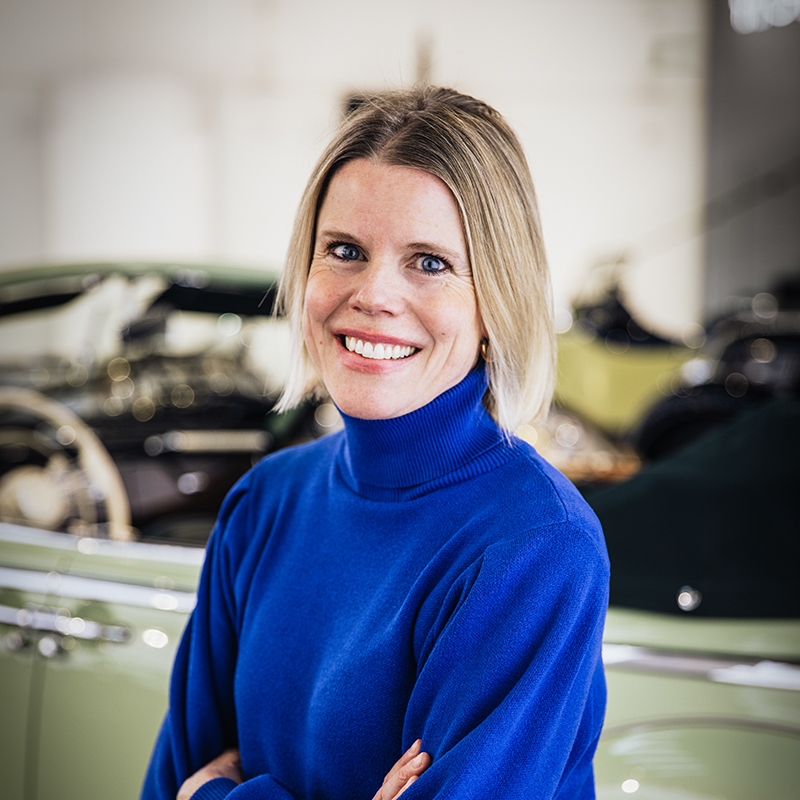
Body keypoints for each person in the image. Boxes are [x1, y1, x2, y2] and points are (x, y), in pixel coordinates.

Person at [142, 86, 609, 800]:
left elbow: (192, 787)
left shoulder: (534, 546)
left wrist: (221, 796)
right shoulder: (265, 504)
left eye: (429, 262)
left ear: (496, 300)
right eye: (346, 250)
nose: (373, 295)